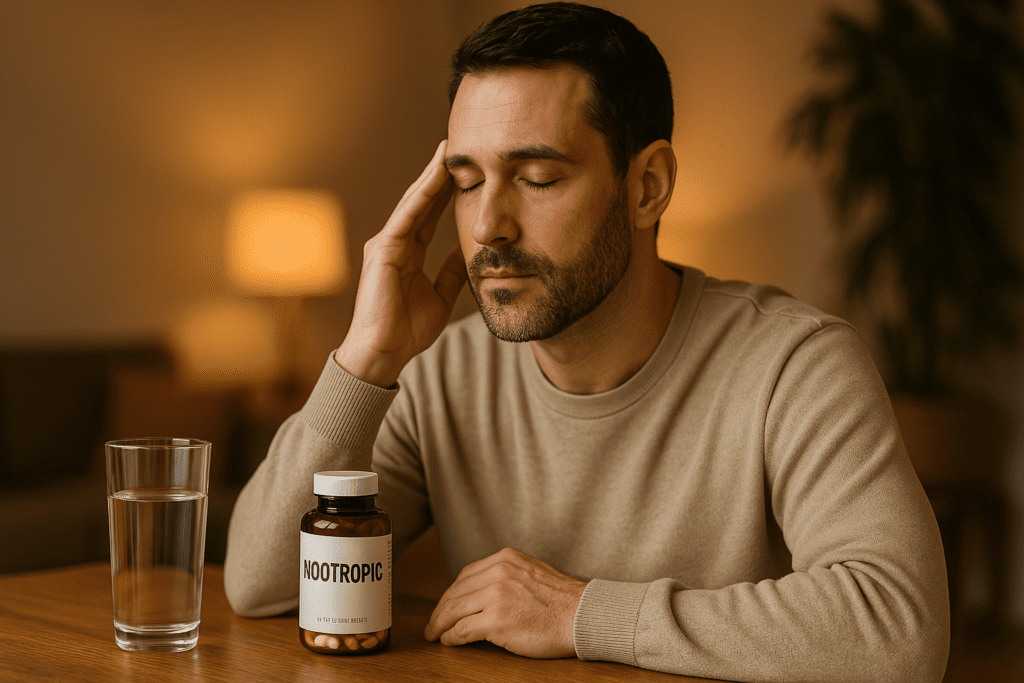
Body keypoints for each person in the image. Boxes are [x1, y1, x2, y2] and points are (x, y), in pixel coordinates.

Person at [224, 3, 949, 680]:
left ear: (647, 186)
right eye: (467, 182)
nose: (486, 227)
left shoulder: (796, 363)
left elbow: (899, 625)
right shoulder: (440, 373)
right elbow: (259, 582)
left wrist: (580, 612)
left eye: (537, 177)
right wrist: (365, 361)